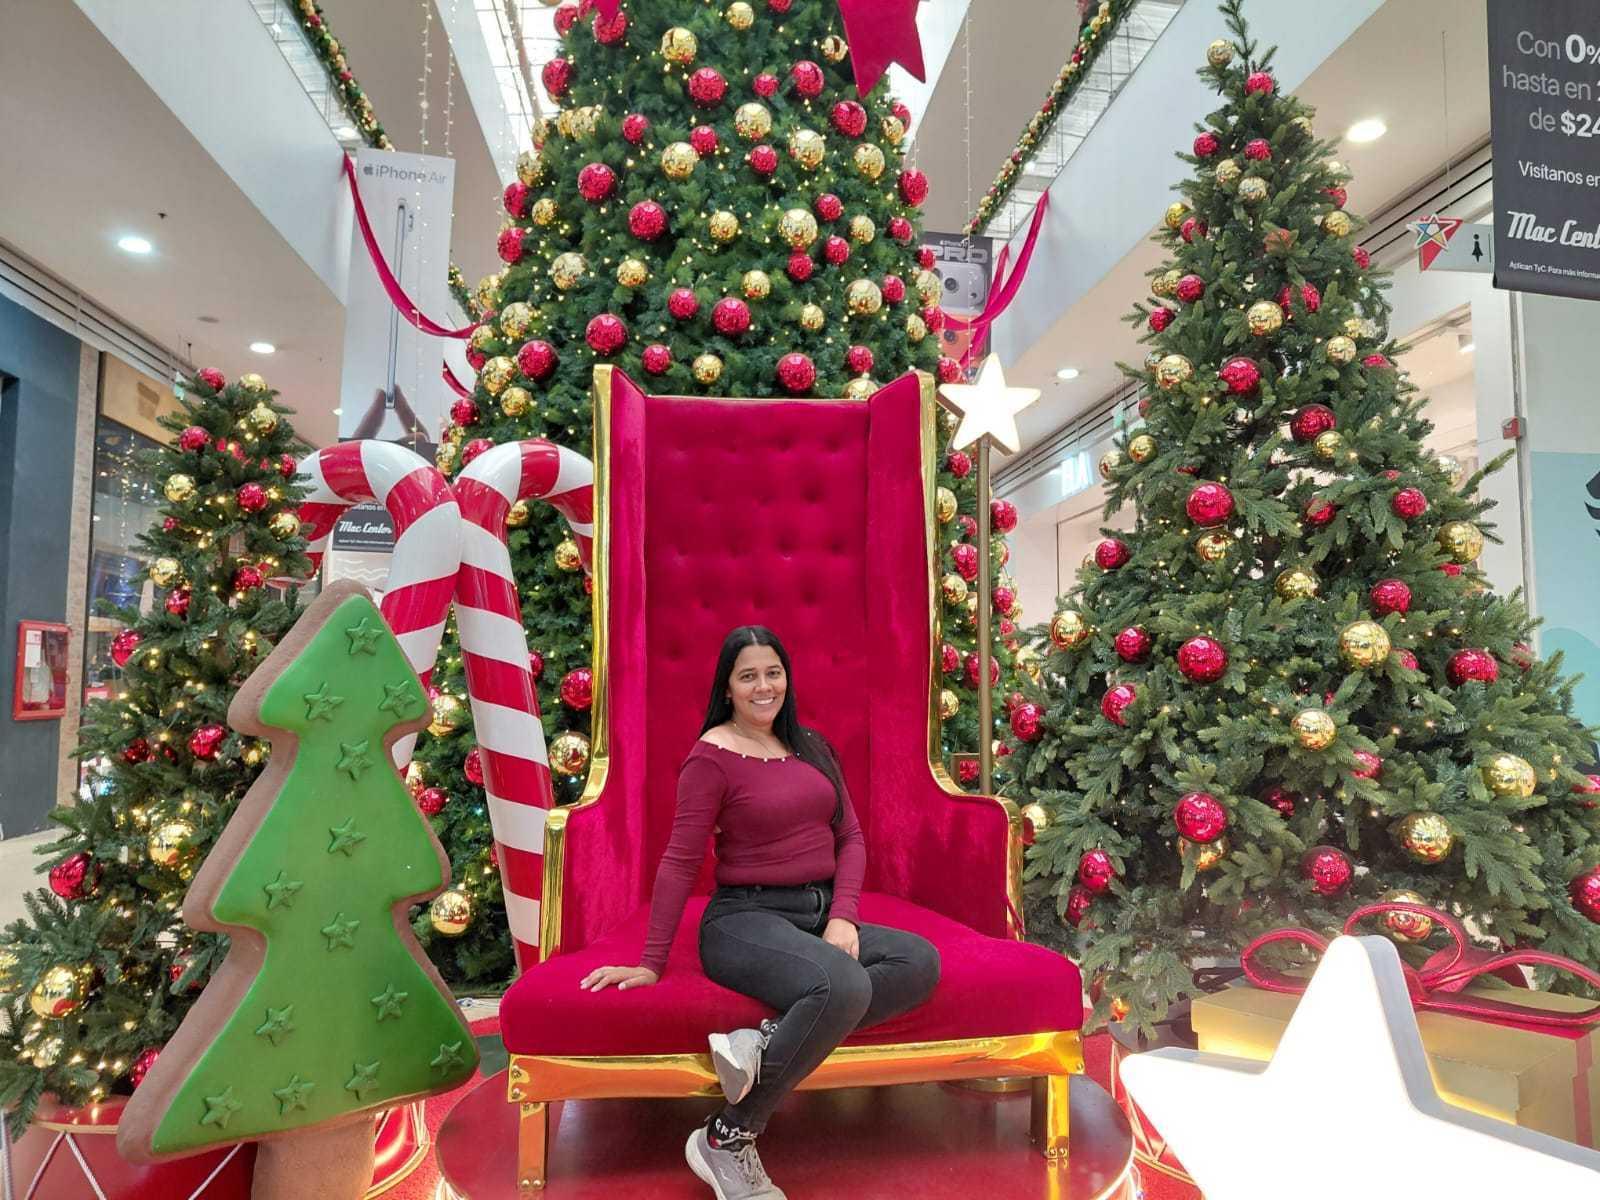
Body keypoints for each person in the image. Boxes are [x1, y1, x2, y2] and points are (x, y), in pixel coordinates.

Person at [579, 625, 942, 1200]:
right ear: (727, 688)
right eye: (748, 676)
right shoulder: (711, 757)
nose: (763, 686)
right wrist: (650, 962)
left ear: (786, 678)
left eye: (773, 672)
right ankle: (727, 1137)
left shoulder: (812, 746)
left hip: (817, 912)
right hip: (744, 920)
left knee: (918, 962)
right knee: (844, 984)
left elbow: (850, 837)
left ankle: (762, 1040)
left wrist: (843, 916)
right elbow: (679, 862)